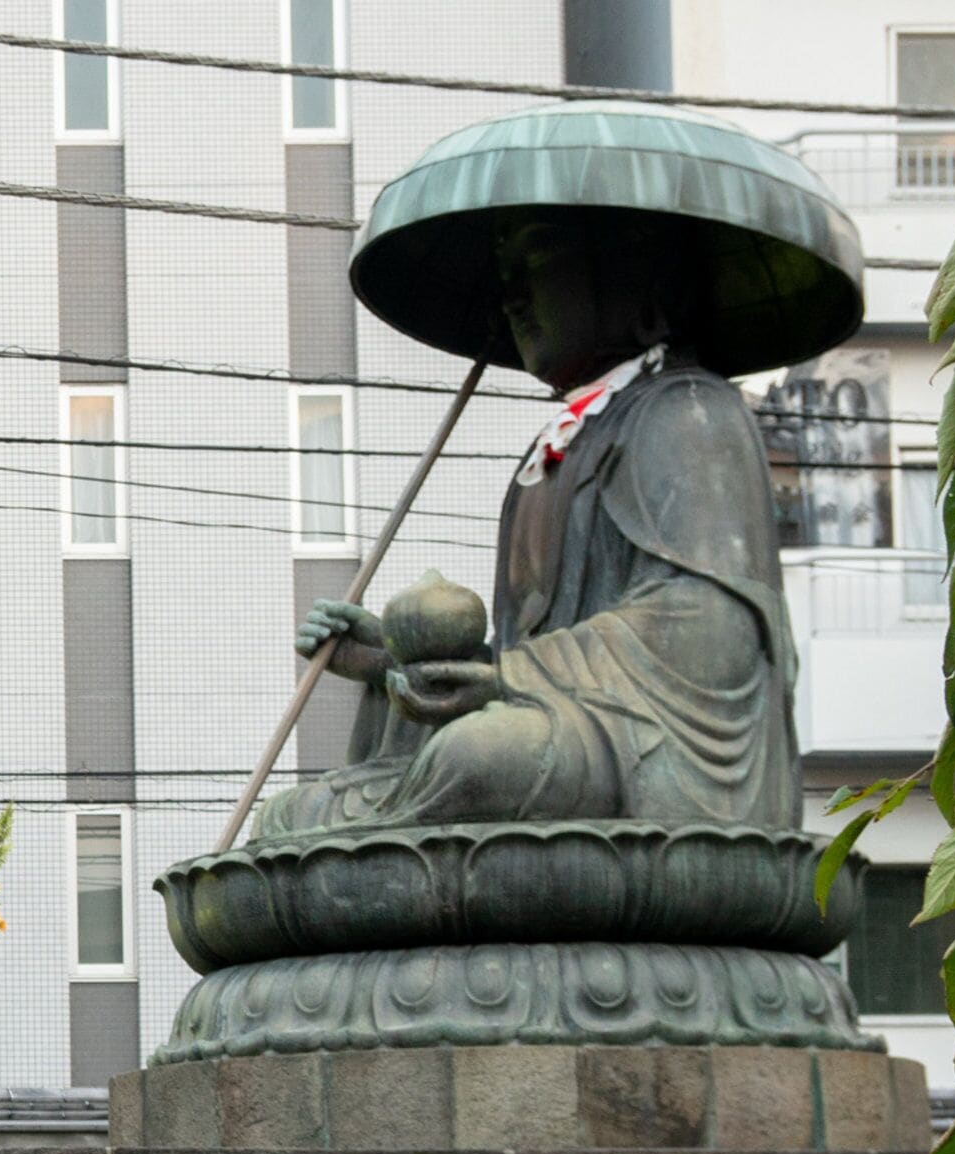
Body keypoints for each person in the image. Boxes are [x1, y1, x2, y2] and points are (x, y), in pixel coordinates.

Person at [258, 214, 795, 842]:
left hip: (658, 752)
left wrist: (509, 680)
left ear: (625, 277)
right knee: (293, 813)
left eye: (536, 266)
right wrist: (396, 659)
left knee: (477, 758)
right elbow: (524, 658)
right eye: (506, 277)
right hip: (567, 730)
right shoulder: (561, 445)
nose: (512, 299)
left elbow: (710, 633)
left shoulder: (689, 412)